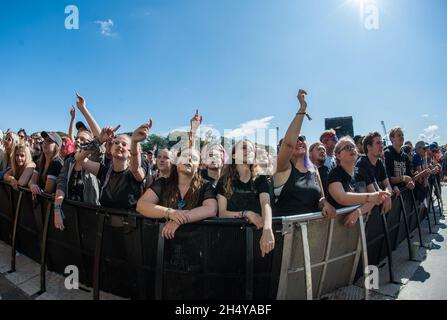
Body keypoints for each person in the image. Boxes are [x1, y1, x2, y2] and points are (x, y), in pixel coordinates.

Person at [137, 111, 217, 239]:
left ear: (198, 167)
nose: (189, 159)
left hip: (195, 244)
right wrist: (170, 213)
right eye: (184, 156)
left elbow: (211, 209)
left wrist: (178, 219)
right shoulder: (163, 183)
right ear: (177, 162)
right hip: (163, 244)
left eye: (194, 158)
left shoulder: (205, 186)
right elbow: (142, 205)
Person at [273, 89, 335, 218]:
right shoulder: (281, 167)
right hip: (287, 234)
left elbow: (320, 199)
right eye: (295, 139)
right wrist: (302, 108)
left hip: (314, 231)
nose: (299, 141)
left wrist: (325, 204)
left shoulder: (313, 170)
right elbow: (288, 144)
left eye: (302, 139)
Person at [216, 140, 274, 257]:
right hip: (229, 239)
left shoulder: (261, 179)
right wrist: (246, 213)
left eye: (251, 149)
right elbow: (221, 213)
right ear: (233, 155)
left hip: (257, 238)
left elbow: (265, 203)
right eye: (243, 148)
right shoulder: (224, 181)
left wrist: (268, 229)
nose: (248, 150)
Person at [75, 122, 150, 209]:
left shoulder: (134, 174)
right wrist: (99, 140)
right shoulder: (104, 171)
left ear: (130, 152)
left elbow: (135, 168)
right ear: (110, 149)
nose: (119, 145)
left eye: (124, 144)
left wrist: (135, 142)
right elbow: (80, 159)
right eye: (116, 143)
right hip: (104, 221)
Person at [327, 137, 391, 227]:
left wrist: (358, 212)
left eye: (353, 147)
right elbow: (342, 198)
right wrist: (370, 197)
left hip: (361, 226)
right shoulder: (334, 174)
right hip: (339, 227)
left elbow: (375, 197)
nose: (352, 149)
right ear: (338, 155)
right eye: (347, 147)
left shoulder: (362, 172)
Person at [53, 129, 102, 230]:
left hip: (90, 219)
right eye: (77, 138)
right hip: (71, 216)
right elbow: (61, 183)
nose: (78, 141)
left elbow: (100, 141)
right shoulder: (69, 161)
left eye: (82, 139)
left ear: (91, 145)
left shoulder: (96, 161)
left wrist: (84, 111)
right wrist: (57, 211)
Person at [355, 132, 395, 214]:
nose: (381, 146)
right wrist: (387, 196)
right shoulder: (362, 163)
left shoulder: (379, 162)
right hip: (363, 212)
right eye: (378, 143)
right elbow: (374, 191)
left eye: (382, 143)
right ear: (369, 147)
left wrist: (387, 195)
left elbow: (387, 185)